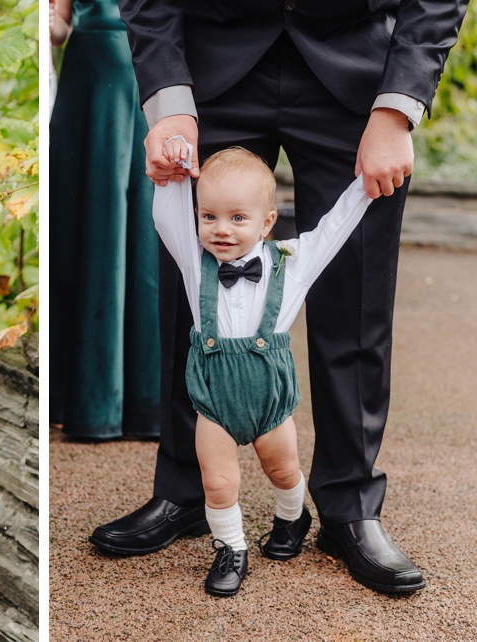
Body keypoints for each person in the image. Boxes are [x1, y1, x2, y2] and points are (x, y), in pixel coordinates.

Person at [94, 0, 468, 594]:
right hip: (210, 70)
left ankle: (349, 507)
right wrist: (168, 98)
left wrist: (398, 106)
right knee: (191, 301)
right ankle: (186, 489)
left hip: (357, 76)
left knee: (358, 298)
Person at [152, 143, 375, 596]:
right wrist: (173, 172)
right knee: (217, 482)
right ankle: (231, 548)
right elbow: (168, 218)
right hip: (213, 401)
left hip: (269, 401)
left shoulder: (292, 262)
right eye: (208, 216)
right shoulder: (196, 265)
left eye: (237, 218)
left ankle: (293, 516)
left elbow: (334, 227)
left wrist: (366, 188)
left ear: (267, 222)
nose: (220, 229)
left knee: (283, 471)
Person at [47, 0, 161, 439]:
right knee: (130, 229)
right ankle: (142, 405)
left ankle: (93, 403)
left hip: (102, 59)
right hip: (137, 61)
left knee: (93, 227)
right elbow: (57, 26)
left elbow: (59, 26)